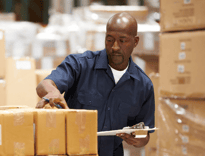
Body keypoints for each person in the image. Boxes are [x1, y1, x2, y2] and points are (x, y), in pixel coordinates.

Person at [36, 12, 155, 156]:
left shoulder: (143, 85)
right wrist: (52, 92)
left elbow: (145, 136)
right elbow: (45, 84)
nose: (115, 47)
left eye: (122, 40)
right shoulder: (80, 65)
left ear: (135, 42)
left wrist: (138, 138)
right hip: (73, 152)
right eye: (110, 40)